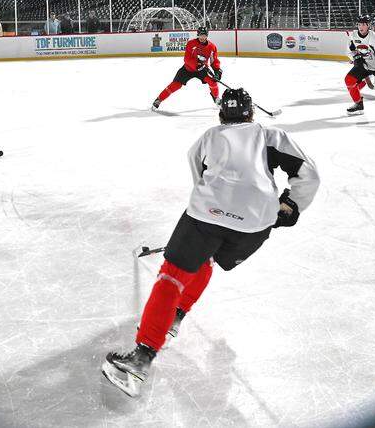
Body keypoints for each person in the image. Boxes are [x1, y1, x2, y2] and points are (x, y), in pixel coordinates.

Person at [102, 87, 320, 398]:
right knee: (207, 260)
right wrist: (291, 205)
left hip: (207, 216)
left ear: (221, 114)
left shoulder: (209, 137)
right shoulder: (269, 135)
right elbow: (308, 173)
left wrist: (212, 209)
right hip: (255, 226)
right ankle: (176, 315)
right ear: (251, 114)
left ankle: (141, 359)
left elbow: (198, 175)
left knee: (172, 276)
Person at [152, 27, 221, 110]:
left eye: (204, 35)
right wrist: (196, 65)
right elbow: (187, 59)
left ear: (207, 35)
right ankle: (159, 100)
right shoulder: (191, 43)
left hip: (202, 69)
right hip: (188, 69)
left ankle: (216, 99)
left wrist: (217, 71)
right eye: (201, 35)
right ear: (198, 35)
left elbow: (214, 61)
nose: (202, 37)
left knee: (213, 82)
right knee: (176, 85)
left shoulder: (212, 47)